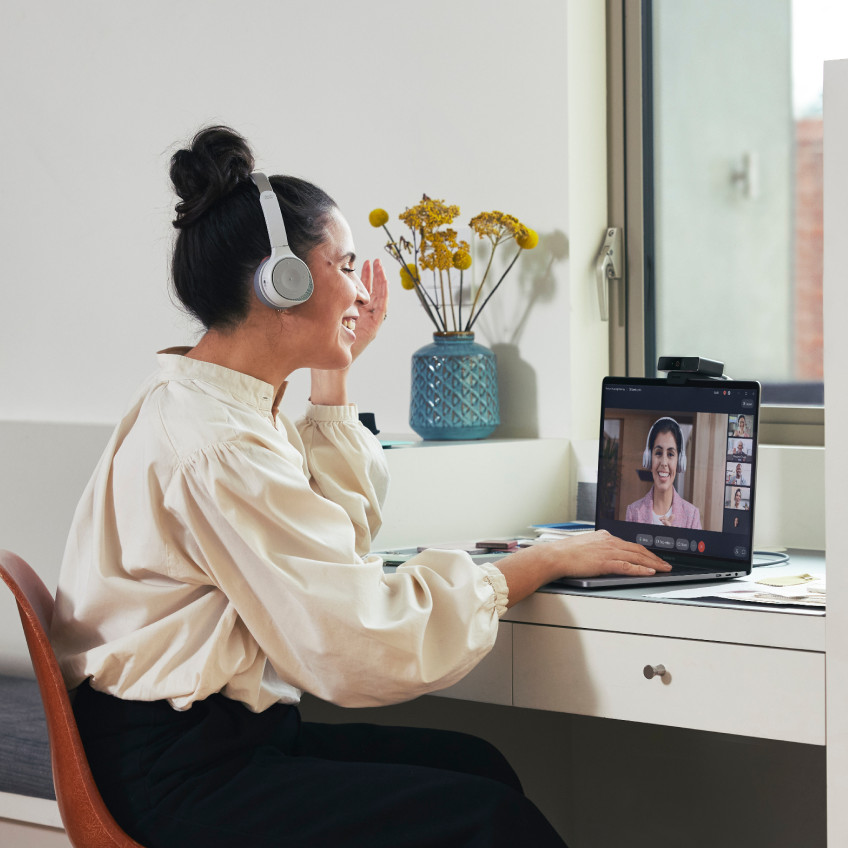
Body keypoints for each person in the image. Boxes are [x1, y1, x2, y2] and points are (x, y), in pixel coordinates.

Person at [48, 126, 668, 848]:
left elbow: (330, 547)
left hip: (209, 740)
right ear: (283, 281)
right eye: (343, 263)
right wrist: (531, 566)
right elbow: (354, 641)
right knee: (491, 822)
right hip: (178, 772)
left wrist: (333, 374)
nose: (361, 286)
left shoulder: (223, 405)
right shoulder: (218, 445)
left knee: (482, 766)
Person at [625, 417, 701, 529]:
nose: (664, 463)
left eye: (670, 454)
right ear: (649, 460)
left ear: (679, 461)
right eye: (658, 453)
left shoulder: (692, 516)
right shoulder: (633, 512)